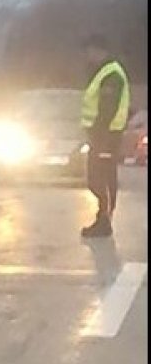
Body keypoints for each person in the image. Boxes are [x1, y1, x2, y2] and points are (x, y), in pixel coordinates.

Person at [79, 34, 131, 238]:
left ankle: (105, 221)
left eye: (90, 51)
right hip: (100, 135)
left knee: (104, 179)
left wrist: (99, 136)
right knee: (95, 179)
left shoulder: (111, 74)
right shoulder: (101, 72)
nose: (87, 56)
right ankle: (102, 217)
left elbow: (107, 109)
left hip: (107, 135)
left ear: (100, 51)